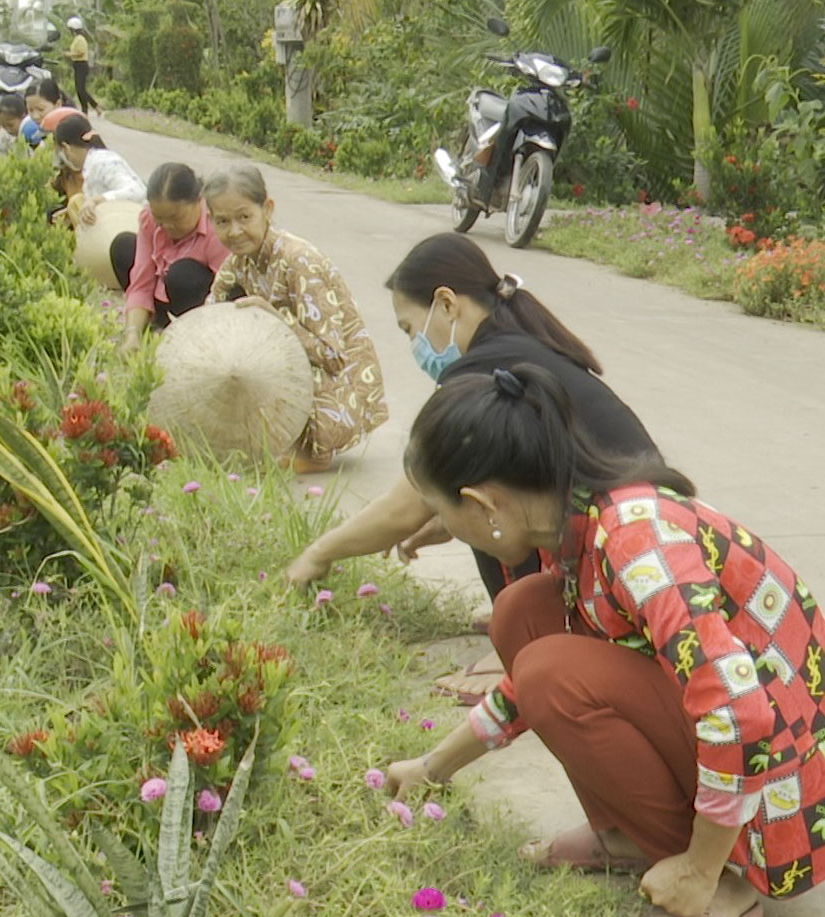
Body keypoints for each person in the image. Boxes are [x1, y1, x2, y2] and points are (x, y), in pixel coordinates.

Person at [384, 362, 825, 917]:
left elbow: (739, 713)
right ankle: (627, 834)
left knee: (550, 670)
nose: (442, 527)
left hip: (785, 778)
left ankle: (720, 889)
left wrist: (699, 870)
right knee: (524, 614)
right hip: (748, 732)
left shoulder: (637, 543)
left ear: (482, 502)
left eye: (442, 512)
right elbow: (529, 681)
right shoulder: (575, 521)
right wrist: (433, 766)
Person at [284, 233, 665, 695]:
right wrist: (445, 517)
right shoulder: (515, 343)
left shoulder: (485, 368)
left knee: (468, 481)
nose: (415, 344)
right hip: (643, 518)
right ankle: (524, 617)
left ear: (446, 304)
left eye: (409, 329)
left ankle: (529, 642)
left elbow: (406, 505)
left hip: (624, 540)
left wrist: (316, 555)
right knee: (467, 493)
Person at [203, 164, 388, 473]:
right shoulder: (237, 265)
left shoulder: (299, 261)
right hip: (300, 367)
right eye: (223, 221)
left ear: (267, 209)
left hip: (340, 385)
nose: (234, 231)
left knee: (267, 330)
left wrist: (277, 322)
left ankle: (313, 449)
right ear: (211, 222)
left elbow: (334, 357)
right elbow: (210, 320)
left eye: (244, 217)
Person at [114, 163, 231, 351]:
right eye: (160, 219)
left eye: (176, 218)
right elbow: (141, 282)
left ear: (198, 200)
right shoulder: (150, 219)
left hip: (199, 303)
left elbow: (228, 292)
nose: (167, 226)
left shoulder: (216, 227)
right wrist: (132, 334)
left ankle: (187, 333)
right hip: (161, 296)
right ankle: (155, 321)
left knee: (181, 274)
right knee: (123, 246)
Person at [52, 115, 146, 230]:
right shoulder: (90, 165)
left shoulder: (102, 162)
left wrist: (96, 200)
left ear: (66, 148)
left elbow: (136, 191)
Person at [65, 16, 99, 117]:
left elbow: (81, 52)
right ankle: (89, 108)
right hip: (77, 65)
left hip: (81, 65)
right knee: (80, 89)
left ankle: (90, 108)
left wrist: (69, 54)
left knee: (81, 89)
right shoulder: (77, 39)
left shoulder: (80, 39)